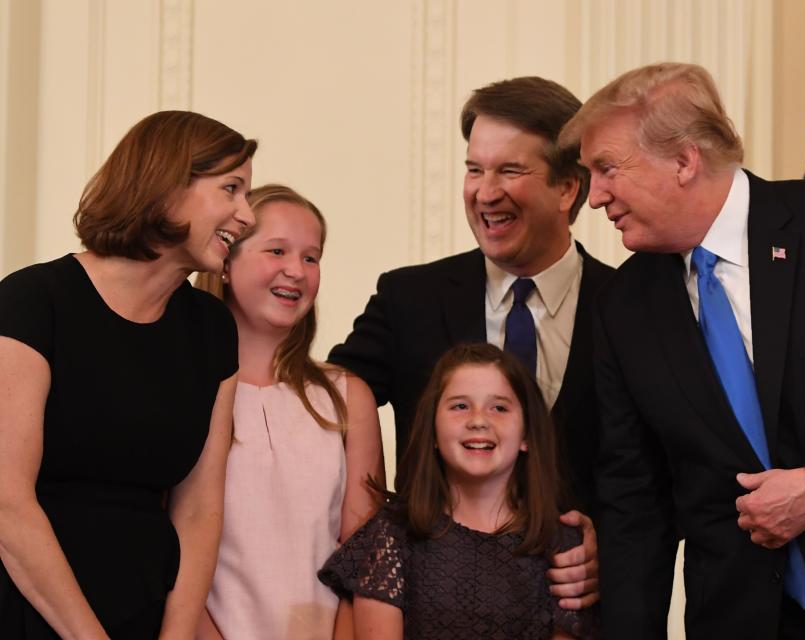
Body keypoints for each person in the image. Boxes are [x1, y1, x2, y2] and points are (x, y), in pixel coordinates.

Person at [560, 61, 805, 639]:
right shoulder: (623, 305)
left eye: (606, 169)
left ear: (683, 159)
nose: (594, 197)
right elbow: (634, 500)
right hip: (742, 618)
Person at [328, 77, 614, 607]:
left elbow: (673, 467)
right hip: (433, 612)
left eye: (509, 170)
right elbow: (326, 406)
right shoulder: (407, 297)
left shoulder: (629, 307)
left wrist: (613, 551)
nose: (485, 192)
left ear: (568, 187)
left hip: (578, 613)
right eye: (474, 169)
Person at [0, 111, 257, 638]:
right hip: (28, 608)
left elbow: (200, 509)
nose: (247, 215)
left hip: (144, 610)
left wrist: (177, 636)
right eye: (231, 189)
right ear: (166, 184)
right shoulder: (32, 301)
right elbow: (7, 499)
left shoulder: (212, 329)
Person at [193, 184, 384, 640]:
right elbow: (162, 549)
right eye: (276, 250)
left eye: (311, 257)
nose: (296, 271)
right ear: (224, 263)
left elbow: (365, 557)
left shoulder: (347, 397)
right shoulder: (183, 392)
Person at [319, 343, 599, 639]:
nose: (478, 420)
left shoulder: (564, 547)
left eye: (499, 407)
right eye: (460, 406)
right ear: (434, 432)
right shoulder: (391, 537)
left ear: (526, 435)